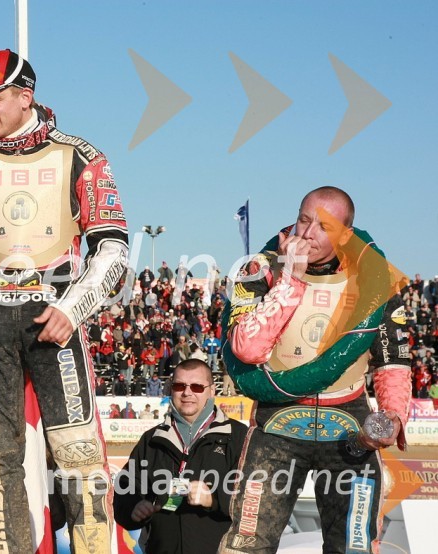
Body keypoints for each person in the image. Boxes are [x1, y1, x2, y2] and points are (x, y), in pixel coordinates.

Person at [0, 49, 128, 553]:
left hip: (53, 311)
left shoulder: (81, 154)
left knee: (78, 456)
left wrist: (71, 309)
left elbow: (114, 251)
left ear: (25, 97)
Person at [219, 186, 411, 553]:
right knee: (247, 542)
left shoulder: (376, 276)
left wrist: (393, 417)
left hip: (349, 425)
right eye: (303, 220)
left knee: (353, 546)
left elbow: (393, 359)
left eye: (323, 226)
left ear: (345, 234)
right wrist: (292, 277)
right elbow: (245, 348)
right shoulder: (260, 267)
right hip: (279, 420)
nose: (307, 235)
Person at [114, 359, 246, 553]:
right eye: (179, 386)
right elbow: (125, 488)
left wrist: (214, 499)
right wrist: (134, 508)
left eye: (197, 387)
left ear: (212, 391)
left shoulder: (238, 436)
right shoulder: (151, 439)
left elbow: (258, 497)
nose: (187, 393)